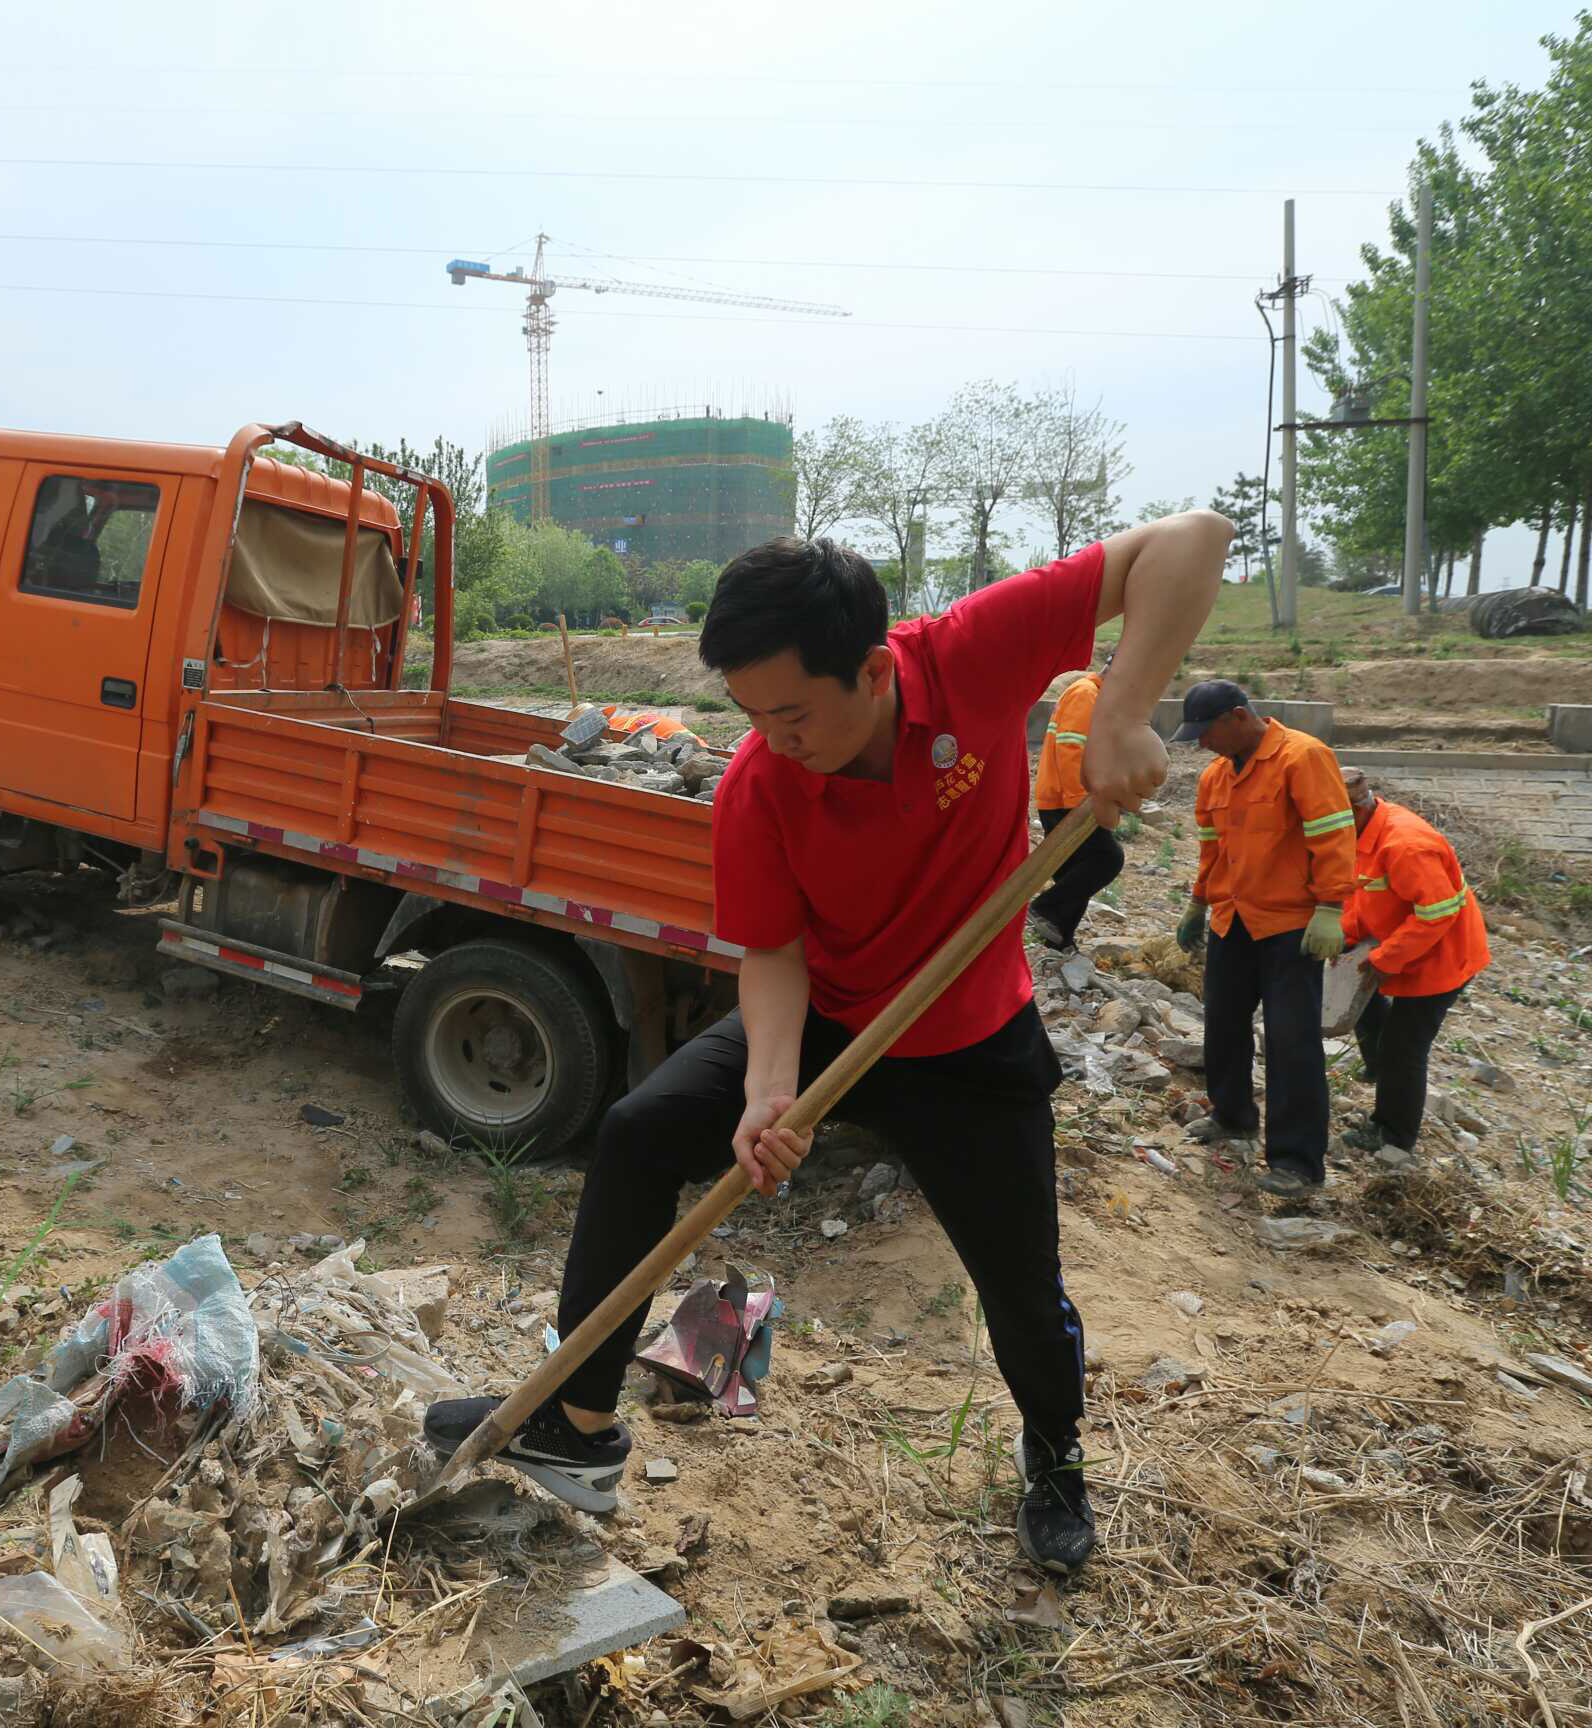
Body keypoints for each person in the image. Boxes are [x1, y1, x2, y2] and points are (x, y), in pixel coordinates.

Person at [423, 514, 1231, 1579]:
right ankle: (575, 1425)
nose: (774, 735)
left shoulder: (971, 656)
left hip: (972, 1039)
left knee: (1021, 1286)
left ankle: (1055, 1459)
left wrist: (1123, 713)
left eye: (794, 710)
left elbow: (1195, 539)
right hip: (836, 1020)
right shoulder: (759, 785)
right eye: (751, 712)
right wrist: (767, 1092)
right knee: (638, 1132)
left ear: (872, 666)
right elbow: (771, 953)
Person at [1172, 681, 1355, 1198]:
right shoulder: (1214, 777)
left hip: (1290, 925)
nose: (1202, 744)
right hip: (1233, 919)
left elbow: (1333, 833)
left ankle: (1297, 1161)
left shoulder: (1303, 757)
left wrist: (1330, 906)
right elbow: (1213, 849)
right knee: (1223, 1023)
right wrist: (1198, 902)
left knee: (1291, 1039)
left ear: (1237, 716)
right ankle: (1233, 1117)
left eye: (1207, 732)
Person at [1337, 769, 1490, 1157]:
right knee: (1369, 1007)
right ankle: (1377, 1068)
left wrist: (1385, 958)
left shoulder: (1406, 844)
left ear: (1352, 811)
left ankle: (1393, 1135)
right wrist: (1345, 938)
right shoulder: (1362, 832)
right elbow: (1366, 892)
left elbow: (1437, 913)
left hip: (1443, 958)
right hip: (1406, 944)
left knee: (1404, 1047)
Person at [1029, 653, 1124, 951]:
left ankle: (1058, 939)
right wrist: (1081, 806)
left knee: (1074, 873)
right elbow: (1071, 750)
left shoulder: (1096, 699)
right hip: (1065, 800)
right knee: (1107, 857)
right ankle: (1044, 909)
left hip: (1063, 798)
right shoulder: (1086, 694)